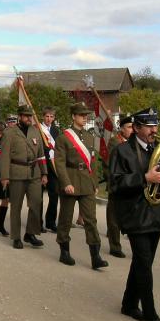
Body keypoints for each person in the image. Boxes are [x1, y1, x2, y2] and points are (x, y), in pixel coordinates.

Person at [110, 108, 160, 321]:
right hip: (135, 215)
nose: (154, 130)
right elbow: (115, 184)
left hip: (157, 213)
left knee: (144, 262)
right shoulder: (122, 151)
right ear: (137, 128)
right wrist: (144, 177)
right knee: (143, 263)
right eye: (149, 126)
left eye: (156, 126)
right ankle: (150, 314)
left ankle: (129, 303)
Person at [53, 102, 109, 270]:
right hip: (70, 181)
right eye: (81, 115)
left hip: (86, 181)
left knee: (91, 220)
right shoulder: (64, 137)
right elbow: (59, 163)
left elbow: (93, 162)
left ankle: (95, 256)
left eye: (86, 116)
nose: (85, 118)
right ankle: (64, 252)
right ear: (73, 116)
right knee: (65, 218)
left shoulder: (90, 137)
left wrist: (94, 182)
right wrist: (66, 183)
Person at [0, 105, 47, 249]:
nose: (29, 118)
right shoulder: (10, 132)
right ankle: (16, 237)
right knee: (16, 207)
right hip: (17, 173)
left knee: (36, 203)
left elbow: (41, 154)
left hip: (34, 173)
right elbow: (4, 156)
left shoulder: (35, 131)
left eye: (30, 116)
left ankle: (30, 233)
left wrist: (44, 173)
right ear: (19, 116)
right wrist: (4, 176)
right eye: (26, 116)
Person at [105, 116, 133, 258]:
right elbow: (113, 163)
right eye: (129, 127)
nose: (131, 130)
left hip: (131, 183)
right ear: (121, 129)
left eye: (133, 127)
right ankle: (115, 246)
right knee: (114, 216)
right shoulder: (115, 142)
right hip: (117, 183)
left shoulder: (134, 142)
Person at [37, 107, 60, 234]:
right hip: (41, 165)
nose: (49, 119)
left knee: (54, 195)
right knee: (39, 196)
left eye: (51, 117)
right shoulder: (37, 129)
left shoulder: (56, 131)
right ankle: (38, 223)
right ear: (42, 117)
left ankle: (51, 222)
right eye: (47, 116)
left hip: (53, 166)